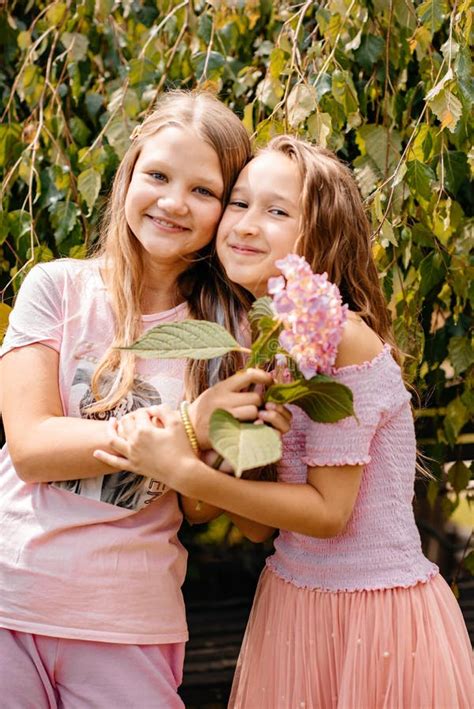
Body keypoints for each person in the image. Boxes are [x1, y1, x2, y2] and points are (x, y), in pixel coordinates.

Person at [95, 136, 473, 707]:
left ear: (320, 237)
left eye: (277, 211)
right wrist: (216, 443)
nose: (245, 224)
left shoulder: (338, 338)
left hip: (370, 616)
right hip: (296, 601)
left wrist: (185, 470)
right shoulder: (270, 346)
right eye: (239, 203)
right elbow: (257, 529)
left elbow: (328, 515)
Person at [0, 89, 290, 707]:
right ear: (129, 171)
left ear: (227, 210)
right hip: (11, 596)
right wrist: (190, 424)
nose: (173, 202)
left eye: (204, 191)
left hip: (127, 617)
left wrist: (212, 454)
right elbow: (31, 446)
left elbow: (235, 516)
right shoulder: (56, 287)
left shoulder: (236, 333)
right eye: (158, 174)